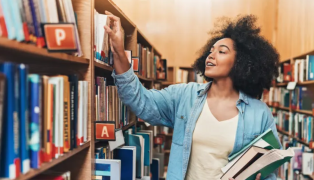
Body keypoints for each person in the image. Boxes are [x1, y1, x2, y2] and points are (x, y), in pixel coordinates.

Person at [104, 11, 282, 180]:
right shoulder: (184, 95)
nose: (211, 55)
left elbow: (270, 168)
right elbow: (141, 102)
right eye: (211, 50)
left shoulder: (260, 113)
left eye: (222, 51)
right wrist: (120, 52)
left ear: (241, 63)